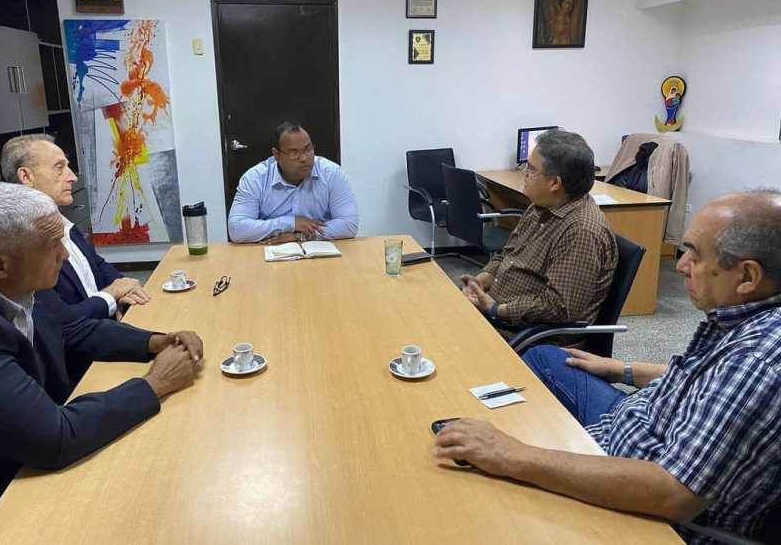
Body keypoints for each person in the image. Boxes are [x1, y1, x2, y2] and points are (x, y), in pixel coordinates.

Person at [434, 190, 781, 542]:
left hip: (643, 491)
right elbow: (704, 378)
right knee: (546, 356)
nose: (680, 265)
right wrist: (620, 368)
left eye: (695, 254)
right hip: (638, 421)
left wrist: (511, 454)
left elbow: (672, 493)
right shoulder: (745, 320)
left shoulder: (758, 361)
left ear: (747, 277)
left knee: (484, 507)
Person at [0, 182, 204, 514]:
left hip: (36, 452)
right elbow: (55, 437)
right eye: (52, 245)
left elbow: (73, 329)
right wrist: (157, 382)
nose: (64, 254)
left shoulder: (22, 280)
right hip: (3, 492)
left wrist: (155, 341)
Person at [461, 130, 617, 331]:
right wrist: (479, 282)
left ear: (555, 183)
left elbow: (559, 308)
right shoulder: (540, 206)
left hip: (523, 331)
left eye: (531, 169)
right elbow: (508, 254)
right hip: (497, 312)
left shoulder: (581, 231)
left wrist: (496, 309)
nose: (524, 173)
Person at [0, 133, 150, 321]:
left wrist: (126, 288)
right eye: (59, 167)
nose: (72, 177)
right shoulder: (23, 246)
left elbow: (96, 264)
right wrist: (112, 294)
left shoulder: (60, 219)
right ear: (26, 176)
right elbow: (61, 323)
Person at [227, 121, 359, 244]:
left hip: (319, 249)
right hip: (270, 249)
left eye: (308, 149)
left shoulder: (331, 173)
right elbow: (236, 229)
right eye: (294, 152)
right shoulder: (255, 178)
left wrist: (299, 236)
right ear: (276, 155)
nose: (304, 158)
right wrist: (291, 223)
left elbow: (349, 224)